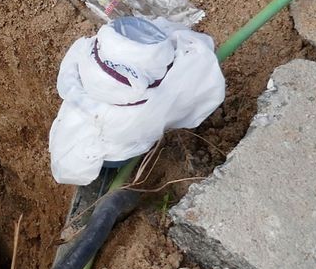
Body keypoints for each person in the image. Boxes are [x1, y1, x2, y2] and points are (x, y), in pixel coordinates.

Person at [48, 15, 226, 187]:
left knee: (106, 155)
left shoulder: (86, 64)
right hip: (115, 153)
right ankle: (106, 171)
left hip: (97, 144)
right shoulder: (150, 104)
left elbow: (70, 72)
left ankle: (104, 172)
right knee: (112, 155)